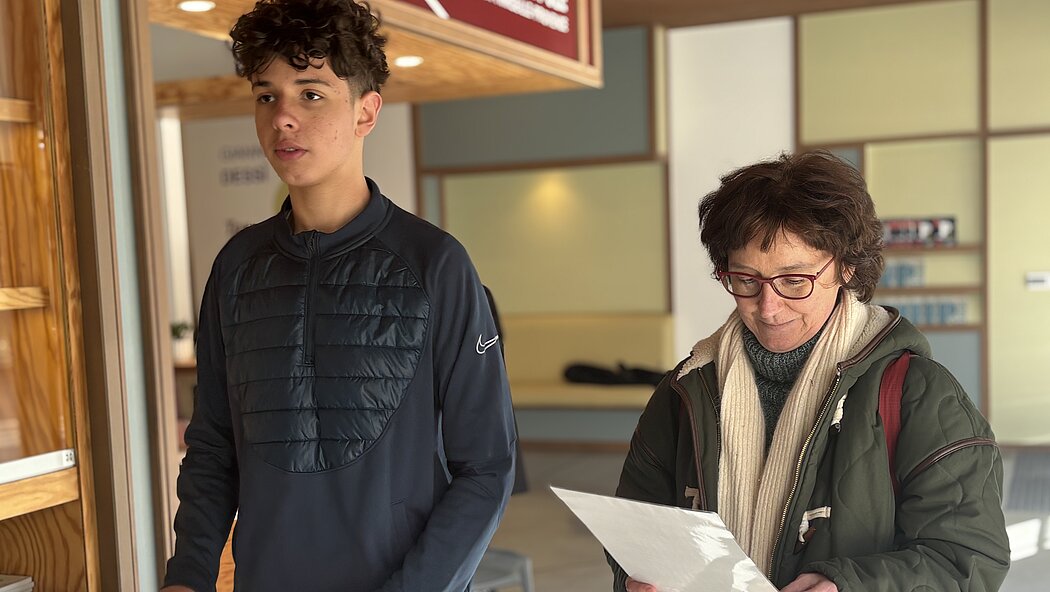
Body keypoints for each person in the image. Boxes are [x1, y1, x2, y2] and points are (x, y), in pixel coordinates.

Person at [161, 1, 517, 590]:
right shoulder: (236, 267)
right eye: (266, 95)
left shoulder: (436, 264)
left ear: (366, 112)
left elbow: (486, 468)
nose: (283, 119)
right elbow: (212, 449)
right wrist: (188, 574)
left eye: (311, 94)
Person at [609, 151, 1010, 592]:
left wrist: (849, 587)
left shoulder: (920, 394)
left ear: (847, 267)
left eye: (795, 281)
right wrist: (637, 578)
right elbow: (637, 530)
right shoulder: (686, 390)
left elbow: (968, 560)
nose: (768, 307)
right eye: (746, 280)